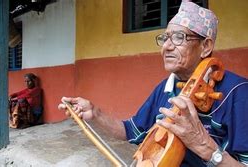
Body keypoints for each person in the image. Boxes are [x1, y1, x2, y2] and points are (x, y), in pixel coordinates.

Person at [58, 1, 248, 167]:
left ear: (205, 46)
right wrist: (94, 113)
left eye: (179, 37)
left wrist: (204, 146)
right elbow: (131, 131)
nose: (167, 46)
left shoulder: (238, 93)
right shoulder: (165, 88)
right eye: (165, 38)